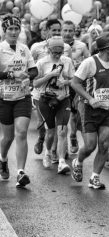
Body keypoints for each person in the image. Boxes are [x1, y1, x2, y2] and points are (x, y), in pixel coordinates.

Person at [70, 31, 109, 190]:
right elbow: (75, 83)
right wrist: (91, 99)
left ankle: (95, 177)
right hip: (89, 109)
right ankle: (77, 161)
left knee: (105, 144)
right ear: (106, 48)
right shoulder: (90, 63)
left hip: (107, 110)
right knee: (90, 145)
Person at [0, 16, 37, 187]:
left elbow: (34, 70)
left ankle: (20, 172)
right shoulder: (0, 49)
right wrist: (11, 75)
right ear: (4, 31)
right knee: (8, 137)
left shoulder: (24, 48)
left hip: (23, 96)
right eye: (10, 29)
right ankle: (3, 159)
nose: (14, 32)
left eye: (16, 29)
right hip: (4, 98)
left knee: (21, 132)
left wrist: (27, 76)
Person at [32, 36, 74, 174]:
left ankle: (61, 162)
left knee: (62, 131)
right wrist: (50, 75)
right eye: (54, 52)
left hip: (63, 99)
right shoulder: (42, 63)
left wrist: (65, 82)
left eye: (60, 52)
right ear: (49, 50)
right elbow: (35, 83)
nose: (57, 55)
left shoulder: (67, 61)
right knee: (50, 132)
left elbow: (74, 79)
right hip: (46, 100)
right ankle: (48, 152)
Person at [62, 20, 90, 155]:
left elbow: (90, 61)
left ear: (75, 31)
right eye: (65, 30)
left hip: (75, 84)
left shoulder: (82, 46)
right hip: (60, 85)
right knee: (62, 117)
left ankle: (73, 136)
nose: (67, 33)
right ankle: (59, 148)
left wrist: (80, 64)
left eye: (70, 30)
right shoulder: (55, 45)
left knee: (74, 114)